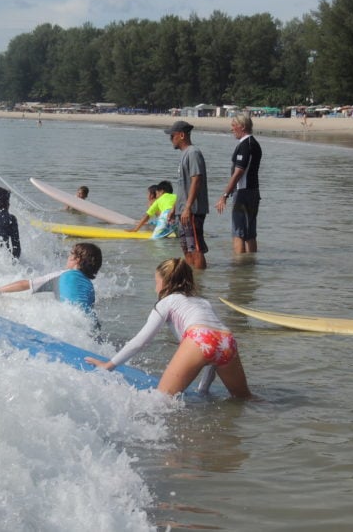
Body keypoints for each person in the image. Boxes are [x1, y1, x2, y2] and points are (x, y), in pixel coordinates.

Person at [86, 258, 251, 398]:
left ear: (165, 283)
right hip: (227, 340)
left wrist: (109, 365)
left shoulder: (166, 302)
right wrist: (203, 391)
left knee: (161, 401)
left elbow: (140, 342)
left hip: (199, 337)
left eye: (156, 282)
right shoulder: (203, 302)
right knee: (244, 399)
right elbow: (212, 352)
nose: (155, 287)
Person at [0, 242, 102, 314]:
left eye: (70, 255)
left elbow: (25, 284)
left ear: (76, 259)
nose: (67, 257)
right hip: (86, 324)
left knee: (7, 303)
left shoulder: (63, 275)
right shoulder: (89, 285)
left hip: (65, 320)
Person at [164, 120, 209, 269]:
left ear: (181, 135)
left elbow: (196, 180)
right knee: (187, 249)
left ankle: (201, 282)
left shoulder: (193, 153)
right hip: (183, 211)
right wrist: (174, 208)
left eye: (172, 136)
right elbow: (183, 187)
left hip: (192, 211)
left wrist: (188, 207)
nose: (170, 139)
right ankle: (192, 281)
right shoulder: (184, 154)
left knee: (195, 248)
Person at [214, 114, 262, 254]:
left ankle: (238, 270)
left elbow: (239, 172)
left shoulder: (245, 145)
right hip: (253, 192)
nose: (231, 129)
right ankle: (249, 267)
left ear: (242, 126)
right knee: (250, 233)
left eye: (233, 125)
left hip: (242, 193)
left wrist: (224, 195)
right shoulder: (255, 144)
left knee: (238, 233)